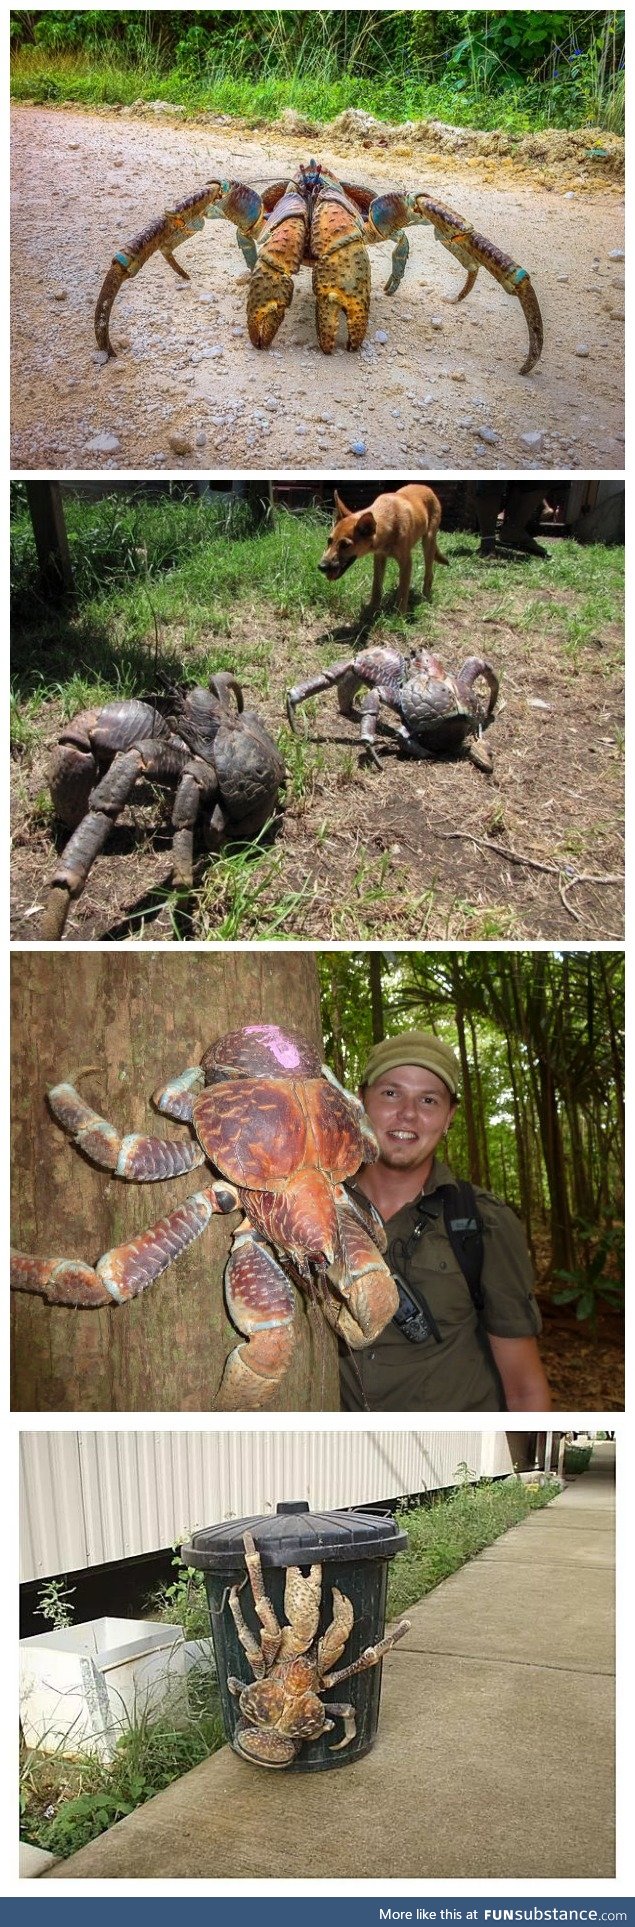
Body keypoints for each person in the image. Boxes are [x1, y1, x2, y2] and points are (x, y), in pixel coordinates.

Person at [340, 1031, 552, 1413]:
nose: (407, 1113)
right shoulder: (318, 1206)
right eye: (391, 1093)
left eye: (428, 1100)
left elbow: (524, 1387)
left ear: (449, 1116)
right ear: (360, 1100)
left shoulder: (483, 1222)